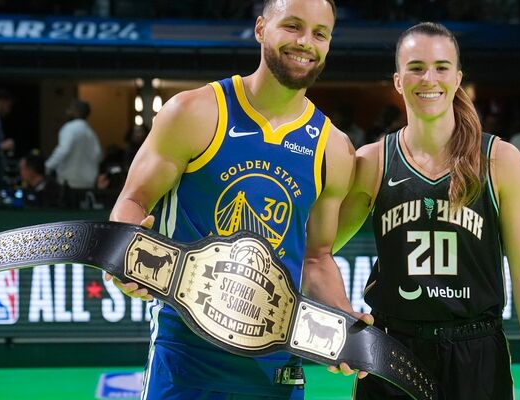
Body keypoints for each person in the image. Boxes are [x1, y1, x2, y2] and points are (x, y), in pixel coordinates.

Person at [105, 1, 370, 399]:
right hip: (186, 356)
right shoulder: (194, 111)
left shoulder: (333, 148)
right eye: (292, 26)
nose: (305, 42)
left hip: (276, 364)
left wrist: (342, 316)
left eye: (320, 33)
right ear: (261, 28)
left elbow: (316, 257)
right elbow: (135, 200)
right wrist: (122, 254)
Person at [336, 22, 520, 400]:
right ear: (398, 81)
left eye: (441, 66)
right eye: (416, 67)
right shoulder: (372, 161)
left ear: (457, 78)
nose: (429, 78)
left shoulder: (499, 159)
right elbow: (320, 250)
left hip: (476, 352)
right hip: (391, 352)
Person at [45, 99, 102, 190]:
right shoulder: (91, 132)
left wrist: (47, 167)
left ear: (76, 112)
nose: (67, 111)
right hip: (87, 183)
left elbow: (63, 150)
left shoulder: (69, 128)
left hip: (69, 182)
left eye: (70, 109)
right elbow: (98, 155)